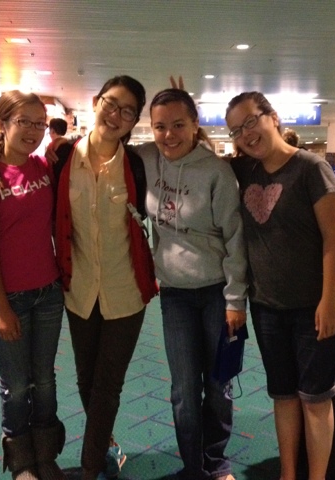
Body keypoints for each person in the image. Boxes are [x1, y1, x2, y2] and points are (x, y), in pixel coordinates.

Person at [225, 92, 335, 480]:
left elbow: (333, 239)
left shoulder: (311, 168)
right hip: (267, 307)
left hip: (314, 306)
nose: (246, 134)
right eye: (236, 130)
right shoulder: (244, 170)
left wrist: (330, 300)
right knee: (283, 395)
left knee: (315, 399)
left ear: (272, 117)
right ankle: (288, 474)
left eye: (250, 122)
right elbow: (199, 155)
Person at [136, 88, 247, 480]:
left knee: (218, 384)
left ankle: (216, 461)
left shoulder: (216, 172)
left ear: (195, 125)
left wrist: (236, 300)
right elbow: (104, 147)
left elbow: (235, 239)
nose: (169, 135)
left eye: (178, 125)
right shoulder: (146, 158)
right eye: (160, 126)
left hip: (218, 291)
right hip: (175, 295)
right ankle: (193, 467)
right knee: (183, 389)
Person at [54, 75, 158, 480]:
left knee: (108, 384)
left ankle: (90, 467)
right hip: (79, 289)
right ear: (96, 101)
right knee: (86, 378)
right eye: (111, 104)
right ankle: (105, 444)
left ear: (134, 121)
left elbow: (183, 151)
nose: (116, 115)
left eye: (127, 111)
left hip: (125, 289)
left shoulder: (137, 164)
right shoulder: (63, 159)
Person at [0, 91, 66, 480]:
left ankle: (46, 455)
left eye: (40, 123)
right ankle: (22, 462)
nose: (33, 130)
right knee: (17, 384)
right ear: (0, 124)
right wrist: (3, 309)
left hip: (48, 293)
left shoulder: (43, 166)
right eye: (24, 121)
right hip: (7, 299)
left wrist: (58, 144)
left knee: (45, 380)